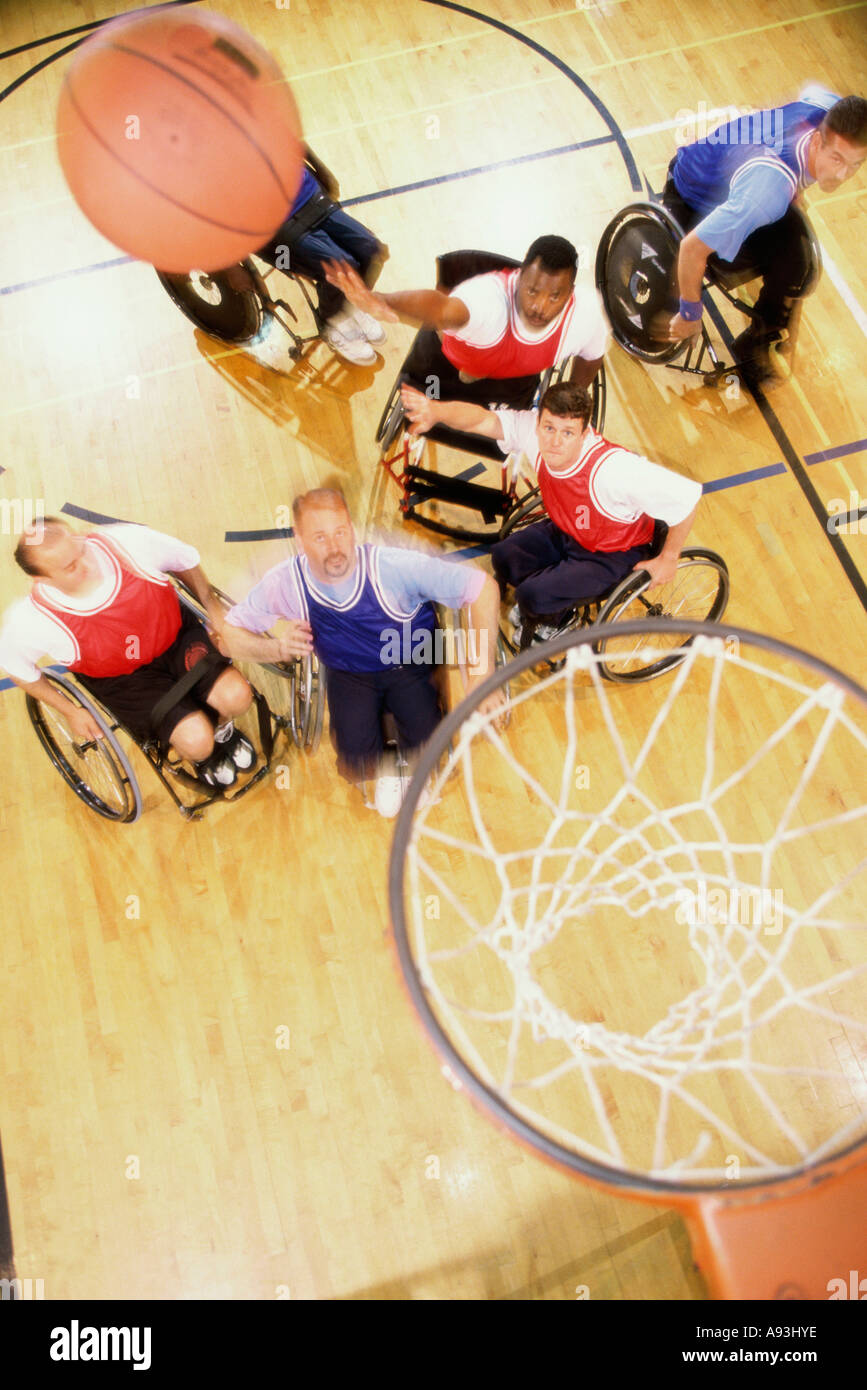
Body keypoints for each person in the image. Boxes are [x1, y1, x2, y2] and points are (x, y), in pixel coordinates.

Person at [217, 488, 505, 817]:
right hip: (348, 669)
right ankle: (388, 764)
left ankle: (412, 769)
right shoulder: (286, 583)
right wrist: (278, 647)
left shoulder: (393, 568)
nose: (335, 548)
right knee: (355, 761)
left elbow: (484, 588)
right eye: (320, 537)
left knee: (429, 744)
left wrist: (483, 673)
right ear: (299, 540)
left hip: (412, 656)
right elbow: (229, 637)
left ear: (352, 528)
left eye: (341, 532)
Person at [401, 383, 702, 649]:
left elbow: (688, 495)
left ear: (585, 434)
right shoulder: (534, 433)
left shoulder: (616, 471)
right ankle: (548, 602)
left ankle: (558, 622)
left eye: (568, 432)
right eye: (549, 428)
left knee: (533, 595)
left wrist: (668, 559)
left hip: (614, 552)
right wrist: (437, 411)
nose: (555, 441)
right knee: (504, 555)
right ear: (539, 423)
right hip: (567, 531)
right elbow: (482, 419)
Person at [0, 518, 255, 788]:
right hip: (127, 681)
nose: (86, 564)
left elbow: (184, 559)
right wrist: (70, 711)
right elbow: (15, 666)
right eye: (71, 567)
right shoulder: (31, 620)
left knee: (238, 698)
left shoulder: (127, 543)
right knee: (197, 741)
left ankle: (223, 731)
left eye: (81, 550)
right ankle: (205, 756)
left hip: (176, 639)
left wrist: (214, 610)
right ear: (42, 578)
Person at [661, 88, 867, 385]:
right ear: (818, 140)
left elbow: (812, 89)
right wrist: (689, 313)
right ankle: (758, 337)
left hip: (732, 175)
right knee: (794, 259)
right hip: (692, 201)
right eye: (836, 159)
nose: (842, 175)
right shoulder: (767, 192)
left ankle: (759, 333)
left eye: (855, 165)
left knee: (800, 250)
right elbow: (692, 249)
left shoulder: (826, 109)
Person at [323, 235, 609, 407]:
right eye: (532, 290)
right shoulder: (489, 298)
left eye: (554, 297)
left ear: (570, 293)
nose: (539, 306)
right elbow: (440, 308)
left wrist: (574, 393)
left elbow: (593, 355)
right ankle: (462, 357)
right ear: (520, 277)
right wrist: (383, 301)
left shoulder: (586, 313)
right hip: (466, 352)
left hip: (513, 369)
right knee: (448, 322)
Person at [255, 146, 389, 366]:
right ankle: (331, 322)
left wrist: (321, 169)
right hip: (275, 225)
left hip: (309, 195)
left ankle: (347, 304)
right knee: (343, 266)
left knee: (373, 251)